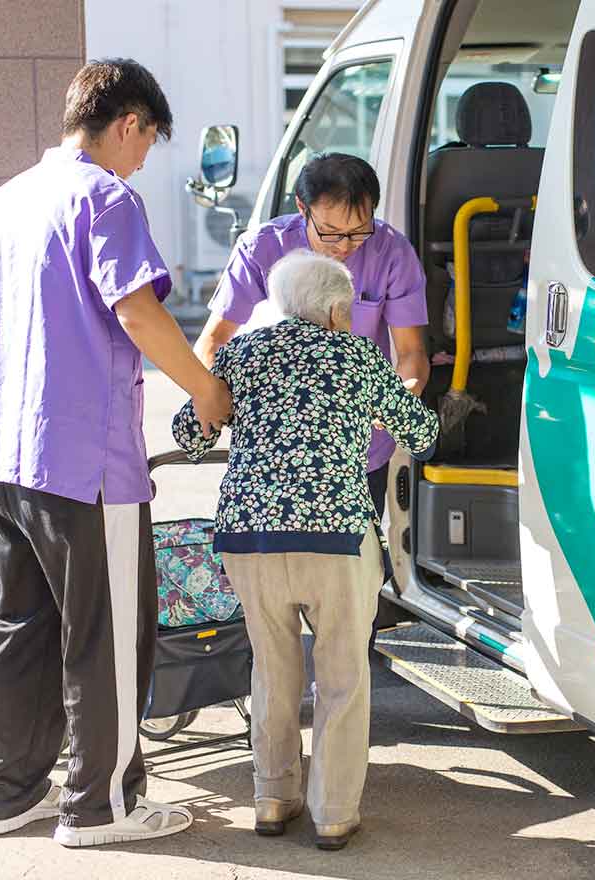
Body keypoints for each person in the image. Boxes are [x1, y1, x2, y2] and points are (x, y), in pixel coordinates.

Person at [0, 59, 232, 846]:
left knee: (19, 627)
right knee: (105, 635)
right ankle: (102, 806)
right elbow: (137, 313)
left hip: (5, 452)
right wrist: (207, 392)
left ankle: (9, 794)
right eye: (148, 141)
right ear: (127, 123)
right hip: (85, 459)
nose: (144, 159)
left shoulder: (6, 200)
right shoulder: (106, 196)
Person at [172, 250, 438, 849]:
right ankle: (335, 813)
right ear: (339, 310)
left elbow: (190, 434)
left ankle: (272, 798)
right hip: (336, 539)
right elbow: (420, 434)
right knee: (342, 675)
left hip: (251, 539)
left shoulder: (242, 353)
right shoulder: (358, 357)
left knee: (272, 666)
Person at [193, 153, 430, 522]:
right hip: (270, 460)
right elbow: (211, 344)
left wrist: (398, 399)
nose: (346, 246)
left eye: (359, 231)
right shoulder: (261, 249)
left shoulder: (392, 253)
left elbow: (412, 354)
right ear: (302, 208)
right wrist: (219, 401)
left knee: (357, 570)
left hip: (357, 455)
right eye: (331, 233)